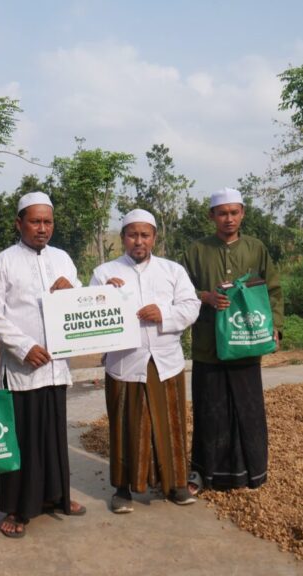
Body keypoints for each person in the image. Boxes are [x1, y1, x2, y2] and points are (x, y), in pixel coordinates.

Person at [0, 191, 87, 538]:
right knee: (24, 438)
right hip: (24, 369)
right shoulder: (3, 263)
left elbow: (80, 299)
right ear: (19, 223)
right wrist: (24, 347)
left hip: (57, 366)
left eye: (48, 222)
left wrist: (72, 287)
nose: (42, 228)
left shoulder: (63, 259)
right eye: (35, 221)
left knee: (54, 436)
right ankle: (17, 507)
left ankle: (57, 497)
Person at [90, 209, 201, 513]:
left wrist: (163, 315)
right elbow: (89, 316)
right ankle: (123, 489)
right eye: (132, 235)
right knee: (125, 426)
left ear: (154, 237)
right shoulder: (104, 273)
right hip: (125, 364)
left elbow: (191, 307)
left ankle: (176, 484)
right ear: (123, 237)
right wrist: (103, 295)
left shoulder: (172, 270)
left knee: (171, 424)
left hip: (166, 361)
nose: (138, 241)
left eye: (145, 235)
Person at [182, 187, 283, 491]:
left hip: (246, 342)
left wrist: (275, 326)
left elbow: (273, 290)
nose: (229, 219)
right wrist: (205, 296)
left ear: (243, 213)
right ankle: (203, 472)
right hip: (208, 345)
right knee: (209, 409)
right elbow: (180, 290)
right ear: (211, 216)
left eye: (234, 212)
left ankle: (251, 472)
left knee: (247, 408)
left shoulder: (255, 249)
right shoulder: (196, 251)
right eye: (222, 213)